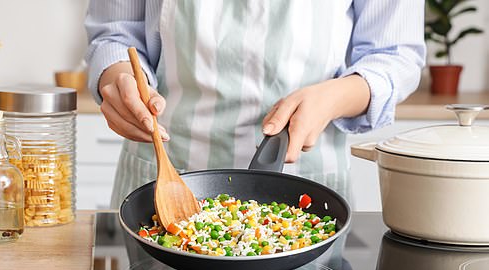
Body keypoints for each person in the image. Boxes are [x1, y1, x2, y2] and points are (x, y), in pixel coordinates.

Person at [85, 1, 425, 208]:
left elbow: (395, 55)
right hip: (166, 176)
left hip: (304, 182)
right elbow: (116, 34)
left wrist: (334, 98)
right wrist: (118, 79)